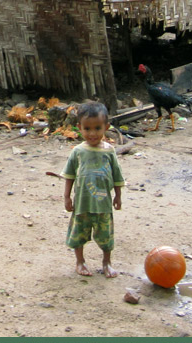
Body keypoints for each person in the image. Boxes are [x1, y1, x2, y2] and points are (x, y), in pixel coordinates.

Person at [61, 101, 125, 278]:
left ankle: (107, 263)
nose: (92, 133)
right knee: (79, 234)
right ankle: (80, 261)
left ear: (107, 126)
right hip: (82, 204)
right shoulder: (78, 152)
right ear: (79, 127)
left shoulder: (109, 152)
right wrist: (67, 197)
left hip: (103, 204)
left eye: (97, 128)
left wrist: (118, 196)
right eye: (87, 128)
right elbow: (69, 175)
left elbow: (117, 176)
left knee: (106, 236)